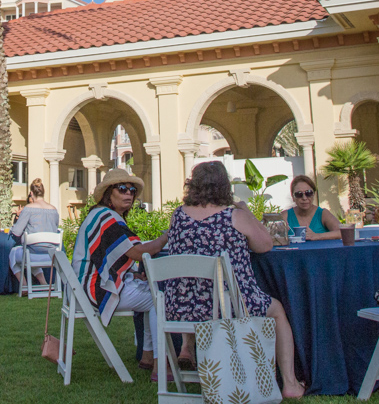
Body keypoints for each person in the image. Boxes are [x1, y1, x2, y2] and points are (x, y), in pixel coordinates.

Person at [162, 162, 305, 397]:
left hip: (182, 308)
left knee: (197, 290)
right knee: (277, 310)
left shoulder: (178, 215)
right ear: (224, 186)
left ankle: (187, 347)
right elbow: (266, 245)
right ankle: (290, 383)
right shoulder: (234, 216)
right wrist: (247, 213)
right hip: (227, 305)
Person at [71, 168, 168, 371]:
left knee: (149, 290)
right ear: (109, 193)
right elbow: (138, 252)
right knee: (158, 297)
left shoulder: (100, 215)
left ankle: (148, 357)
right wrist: (168, 235)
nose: (129, 194)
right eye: (122, 188)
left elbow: (106, 257)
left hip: (83, 286)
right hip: (94, 290)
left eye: (132, 191)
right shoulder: (107, 217)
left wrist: (132, 274)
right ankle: (159, 362)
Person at [8, 179, 61, 287]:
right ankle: (43, 283)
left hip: (33, 253)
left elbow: (17, 233)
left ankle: (24, 286)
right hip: (52, 254)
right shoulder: (54, 210)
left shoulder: (29, 209)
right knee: (31, 250)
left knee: (13, 253)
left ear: (31, 193)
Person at [285, 175, 342, 241]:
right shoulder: (285, 215)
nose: (304, 198)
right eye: (299, 194)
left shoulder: (322, 214)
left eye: (308, 193)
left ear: (314, 194)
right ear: (293, 197)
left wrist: (317, 236)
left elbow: (342, 232)